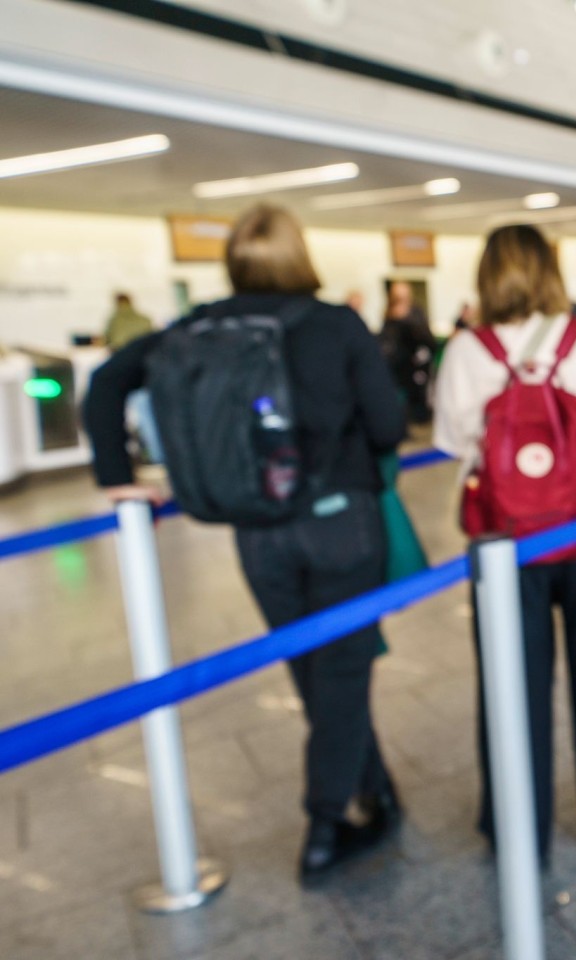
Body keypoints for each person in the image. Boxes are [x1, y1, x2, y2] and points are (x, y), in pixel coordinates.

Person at [83, 204, 407, 881]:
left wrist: (118, 479)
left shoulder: (200, 327)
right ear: (301, 256)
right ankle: (325, 825)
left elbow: (107, 381)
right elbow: (386, 426)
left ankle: (374, 789)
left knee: (312, 669)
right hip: (340, 522)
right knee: (344, 669)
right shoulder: (333, 325)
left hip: (257, 531)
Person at [433, 224, 576, 861]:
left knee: (510, 685)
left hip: (504, 539)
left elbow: (456, 444)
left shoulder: (464, 350)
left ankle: (516, 826)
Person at [378, 280, 438, 425]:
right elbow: (387, 338)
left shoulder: (416, 311)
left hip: (416, 363)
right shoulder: (389, 313)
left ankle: (421, 418)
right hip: (398, 364)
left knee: (418, 394)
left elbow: (426, 337)